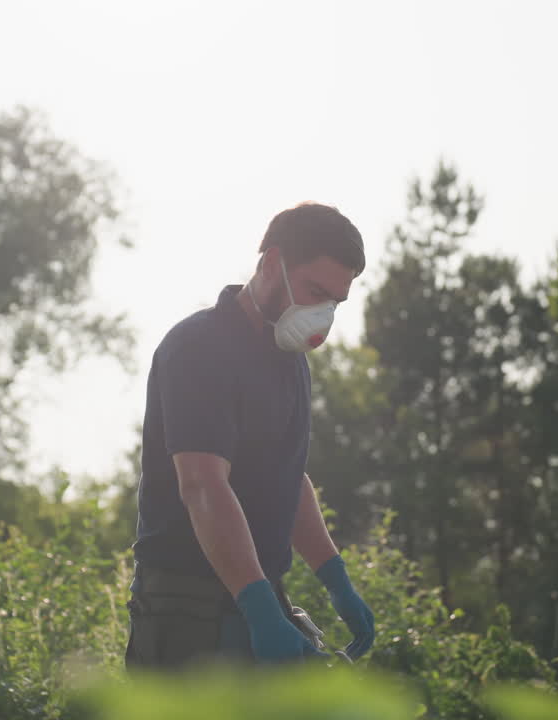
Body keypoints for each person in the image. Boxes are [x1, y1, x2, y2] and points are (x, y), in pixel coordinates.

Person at [125, 202, 376, 669]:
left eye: (334, 302)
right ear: (269, 263)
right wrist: (260, 609)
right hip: (187, 609)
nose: (321, 313)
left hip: (256, 596)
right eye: (314, 291)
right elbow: (203, 486)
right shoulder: (199, 347)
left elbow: (288, 478)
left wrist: (336, 580)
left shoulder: (290, 363)